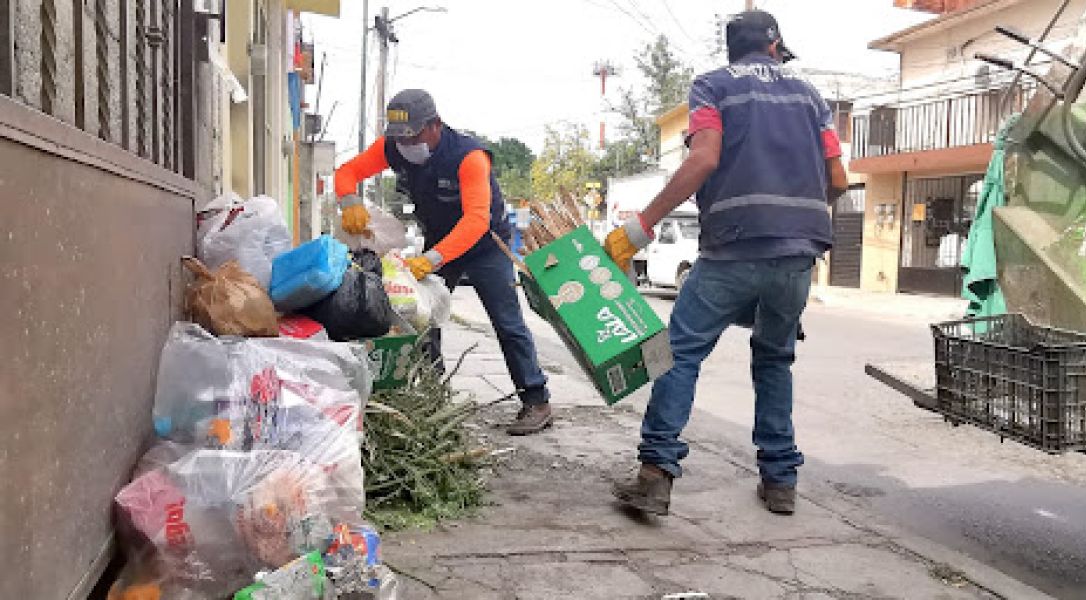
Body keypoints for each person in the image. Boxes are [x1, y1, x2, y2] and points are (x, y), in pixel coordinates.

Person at [605, 10, 848, 515]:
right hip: (797, 254)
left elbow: (703, 159)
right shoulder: (810, 97)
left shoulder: (714, 87)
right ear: (777, 46)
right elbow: (839, 180)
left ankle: (656, 475)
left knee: (679, 354)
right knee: (775, 358)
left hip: (733, 247)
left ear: (732, 50)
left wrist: (640, 226)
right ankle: (780, 482)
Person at [333, 89, 553, 436]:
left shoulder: (469, 156)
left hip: (486, 244)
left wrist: (430, 260)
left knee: (507, 321)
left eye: (414, 136)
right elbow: (347, 172)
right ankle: (429, 394)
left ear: (434, 126)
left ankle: (536, 399)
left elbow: (477, 220)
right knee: (420, 317)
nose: (405, 145)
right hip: (438, 237)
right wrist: (348, 202)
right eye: (399, 138)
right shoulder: (393, 147)